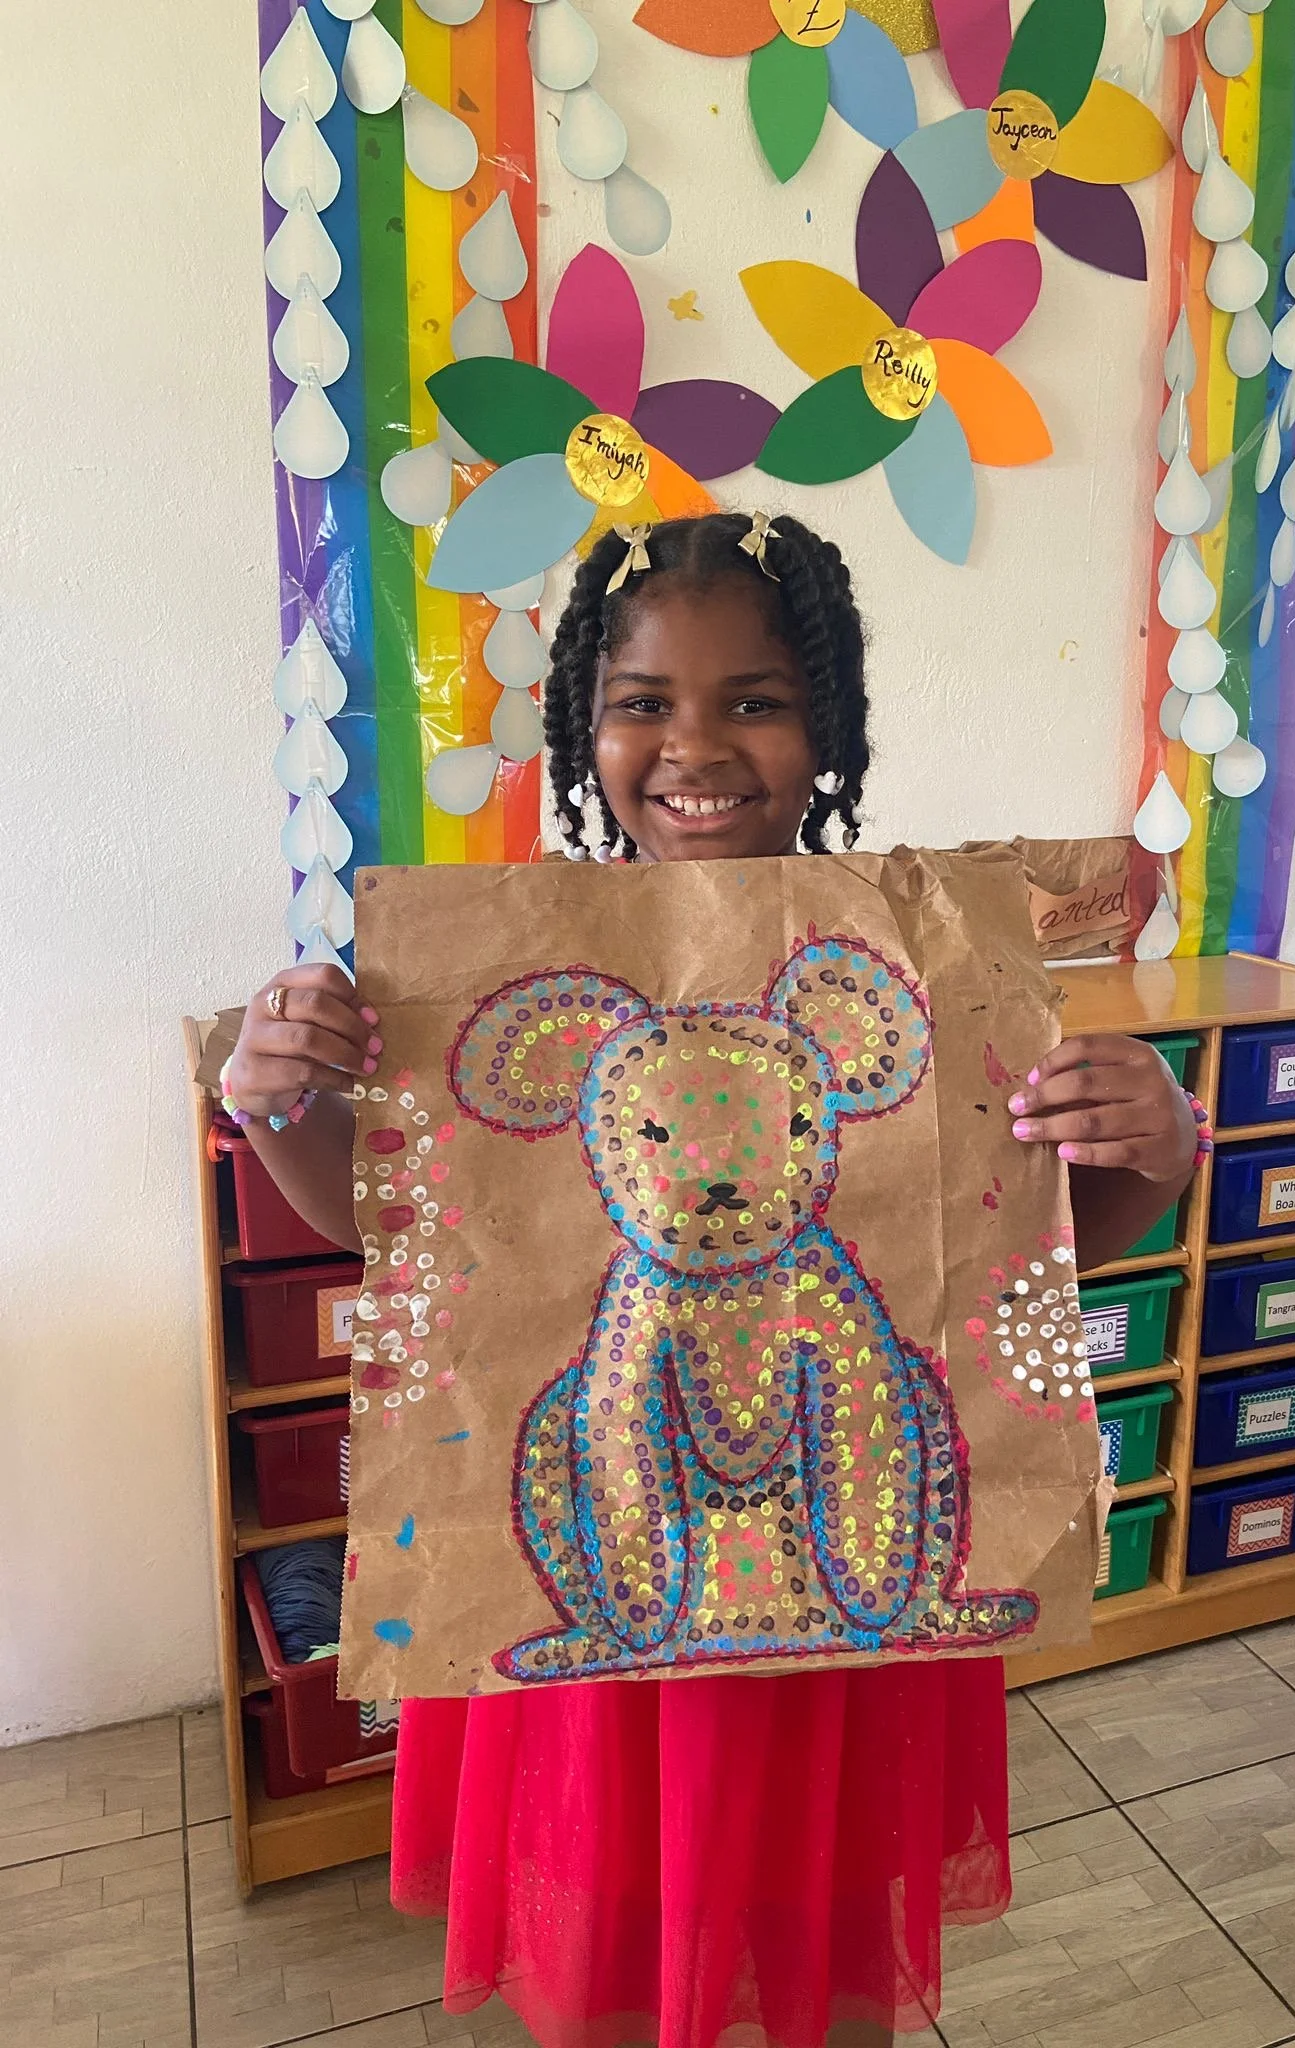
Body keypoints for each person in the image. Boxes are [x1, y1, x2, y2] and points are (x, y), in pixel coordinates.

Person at [226, 512, 1198, 2048]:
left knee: (824, 1944)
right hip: (594, 1627)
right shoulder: (486, 966)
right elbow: (400, 1241)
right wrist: (281, 1097)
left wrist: (1157, 1141)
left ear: (829, 725)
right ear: (582, 729)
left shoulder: (926, 969)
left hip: (842, 1614)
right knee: (605, 1952)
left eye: (755, 699)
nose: (697, 747)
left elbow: (1037, 1238)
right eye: (643, 703)